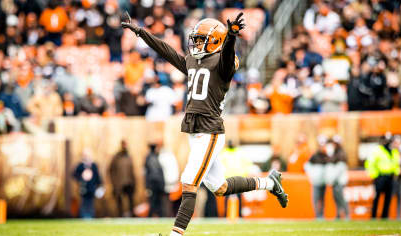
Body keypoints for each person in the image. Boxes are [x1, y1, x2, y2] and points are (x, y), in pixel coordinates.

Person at [122, 12, 287, 236]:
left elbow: (228, 56)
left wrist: (231, 36)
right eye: (196, 40)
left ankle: (175, 234)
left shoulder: (223, 64)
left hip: (209, 131)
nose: (197, 44)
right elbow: (167, 51)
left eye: (202, 40)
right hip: (195, 131)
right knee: (219, 187)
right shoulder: (193, 61)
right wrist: (141, 32)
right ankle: (269, 183)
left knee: (189, 182)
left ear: (215, 40)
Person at [365, 133, 401, 218]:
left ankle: (385, 216)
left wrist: (396, 173)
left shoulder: (394, 151)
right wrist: (375, 175)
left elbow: (396, 164)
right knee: (377, 197)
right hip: (380, 176)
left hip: (390, 177)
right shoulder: (378, 150)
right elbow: (370, 163)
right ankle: (373, 216)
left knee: (388, 198)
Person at [73, 148, 103, 218]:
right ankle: (83, 216)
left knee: (91, 203)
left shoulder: (94, 165)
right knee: (84, 203)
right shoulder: (80, 165)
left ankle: (91, 216)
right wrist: (81, 176)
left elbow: (98, 177)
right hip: (83, 188)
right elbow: (74, 175)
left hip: (92, 188)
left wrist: (100, 186)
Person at [109, 140, 136, 217]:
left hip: (129, 182)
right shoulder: (116, 157)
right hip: (119, 183)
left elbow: (132, 170)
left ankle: (131, 215)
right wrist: (114, 182)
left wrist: (134, 182)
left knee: (130, 200)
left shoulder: (129, 157)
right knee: (119, 201)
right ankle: (120, 215)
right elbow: (111, 171)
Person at [304, 135, 328, 219]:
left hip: (323, 181)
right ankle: (317, 215)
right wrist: (312, 176)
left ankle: (322, 215)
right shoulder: (314, 156)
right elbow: (307, 166)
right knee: (316, 199)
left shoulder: (326, 156)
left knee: (322, 199)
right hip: (316, 182)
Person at [144, 143, 166, 217]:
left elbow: (147, 174)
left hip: (153, 184)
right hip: (156, 184)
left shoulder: (149, 158)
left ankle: (153, 216)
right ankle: (158, 216)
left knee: (154, 202)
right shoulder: (156, 158)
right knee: (156, 202)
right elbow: (160, 172)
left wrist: (147, 186)